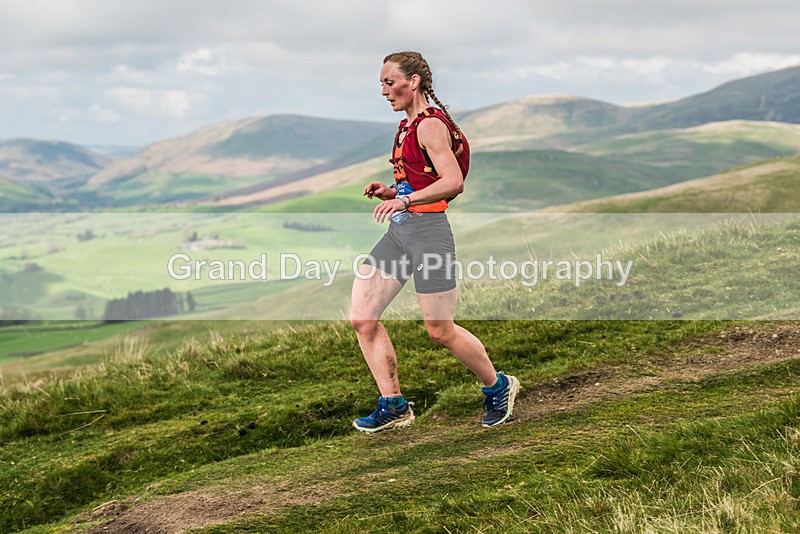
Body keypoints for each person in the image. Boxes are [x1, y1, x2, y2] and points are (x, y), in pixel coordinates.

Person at [349, 51, 520, 433]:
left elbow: (453, 181)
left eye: (389, 82)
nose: (383, 91)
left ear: (414, 82)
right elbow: (422, 184)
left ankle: (498, 387)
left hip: (429, 234)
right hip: (401, 232)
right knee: (363, 318)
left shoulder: (429, 126)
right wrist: (391, 192)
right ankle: (393, 405)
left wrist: (404, 200)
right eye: (381, 84)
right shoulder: (407, 126)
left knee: (439, 330)